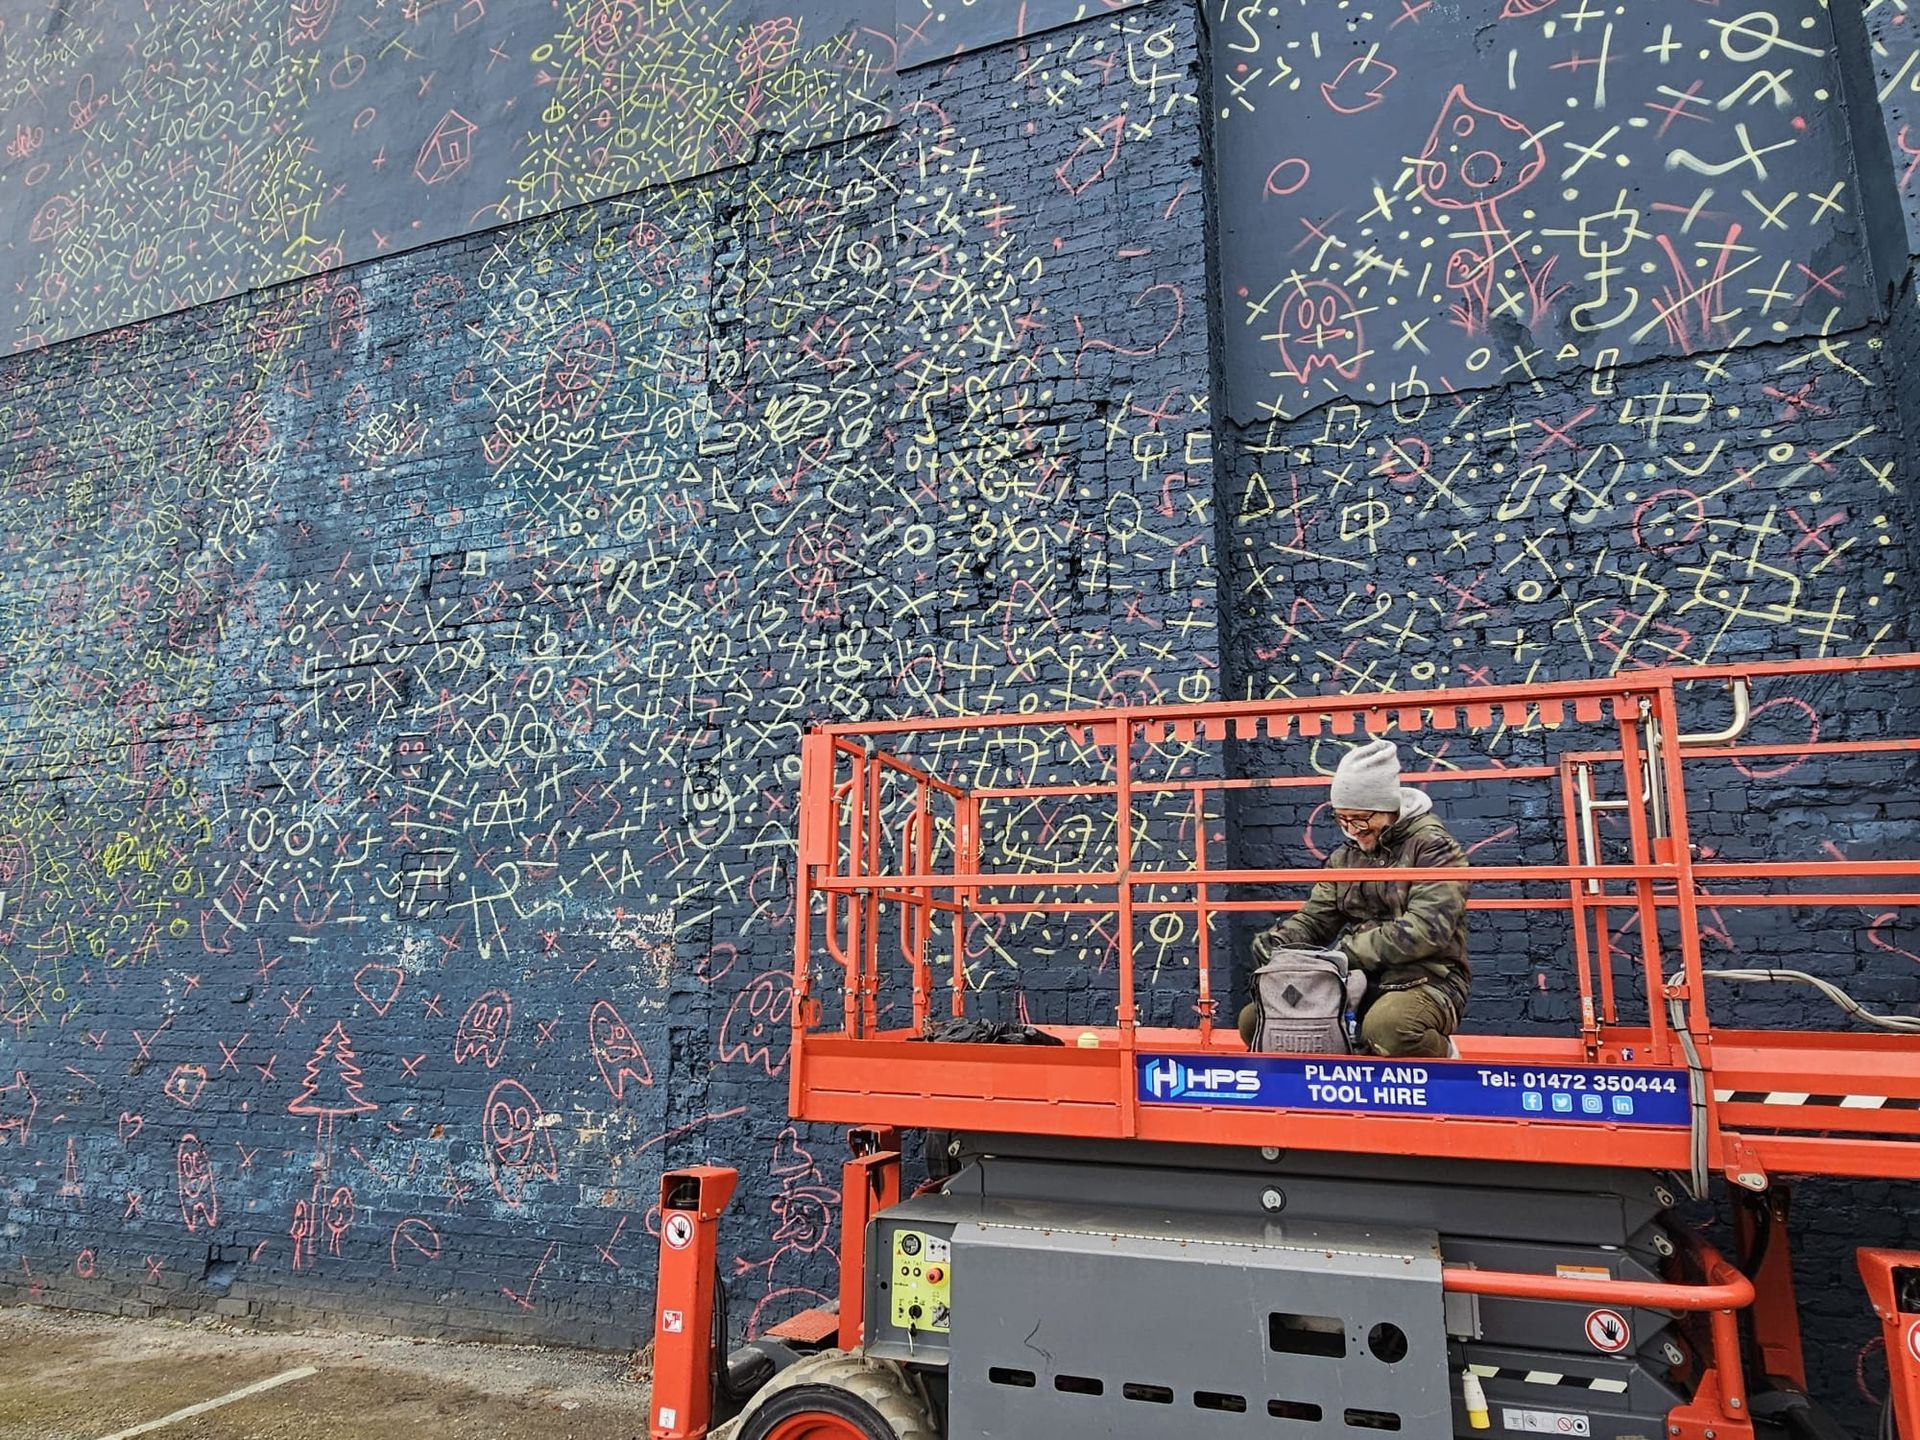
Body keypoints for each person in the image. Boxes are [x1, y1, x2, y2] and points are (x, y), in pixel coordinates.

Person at [1239, 738, 1470, 1058]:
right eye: (1342, 819)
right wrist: (1280, 942)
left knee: (1389, 1029)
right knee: (1254, 1020)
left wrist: (1346, 954)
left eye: (1361, 819)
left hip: (1429, 979)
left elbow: (1428, 929)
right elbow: (1316, 918)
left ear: (1389, 808)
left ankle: (1444, 1054)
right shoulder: (1344, 858)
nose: (1352, 830)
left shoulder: (1434, 848)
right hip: (1352, 979)